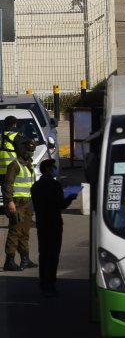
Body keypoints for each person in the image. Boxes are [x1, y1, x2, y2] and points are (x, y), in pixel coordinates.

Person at [30, 159, 76, 296]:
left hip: (41, 223)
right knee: (53, 253)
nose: (55, 169)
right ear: (49, 169)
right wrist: (71, 197)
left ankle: (43, 281)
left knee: (43, 252)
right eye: (53, 167)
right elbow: (61, 204)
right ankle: (50, 281)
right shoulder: (55, 185)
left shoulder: (35, 186)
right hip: (54, 222)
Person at [3, 137, 38, 271]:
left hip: (28, 203)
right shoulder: (15, 165)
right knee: (15, 232)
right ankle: (9, 261)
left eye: (32, 150)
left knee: (25, 232)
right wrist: (10, 202)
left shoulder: (29, 165)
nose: (30, 153)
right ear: (22, 150)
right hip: (17, 204)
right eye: (28, 150)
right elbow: (7, 185)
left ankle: (25, 259)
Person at [0, 116, 19, 211]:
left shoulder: (0, 137)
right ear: (14, 124)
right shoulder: (15, 136)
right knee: (14, 192)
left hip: (1, 171)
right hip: (12, 169)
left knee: (6, 192)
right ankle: (15, 213)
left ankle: (8, 210)